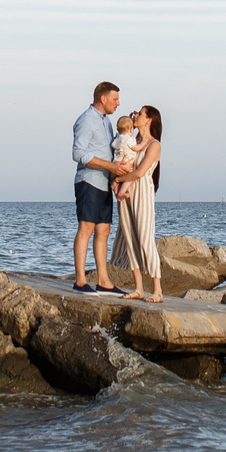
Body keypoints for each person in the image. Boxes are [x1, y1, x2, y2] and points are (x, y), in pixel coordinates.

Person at [70, 82, 125, 293]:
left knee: (104, 229)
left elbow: (110, 150)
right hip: (88, 180)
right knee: (87, 227)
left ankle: (104, 280)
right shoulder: (86, 120)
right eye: (115, 99)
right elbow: (78, 154)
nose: (118, 103)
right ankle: (80, 280)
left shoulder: (107, 122)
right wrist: (109, 166)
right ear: (103, 98)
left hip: (103, 182)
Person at [111, 105, 165, 303]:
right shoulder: (132, 141)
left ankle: (157, 289)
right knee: (129, 236)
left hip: (142, 191)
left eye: (140, 113)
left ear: (149, 120)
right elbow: (121, 162)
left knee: (144, 237)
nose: (136, 114)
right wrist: (115, 179)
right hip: (126, 192)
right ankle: (139, 287)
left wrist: (117, 181)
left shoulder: (154, 145)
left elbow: (141, 172)